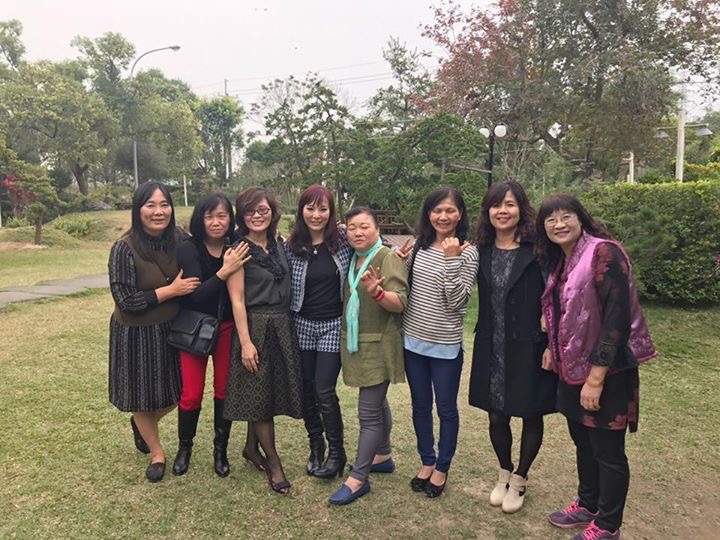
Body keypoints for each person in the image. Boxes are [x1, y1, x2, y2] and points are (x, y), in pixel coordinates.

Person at [537, 194, 656, 540]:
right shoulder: (562, 259)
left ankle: (608, 525)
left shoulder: (604, 252)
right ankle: (588, 504)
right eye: (550, 219)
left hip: (607, 371)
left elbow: (617, 318)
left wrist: (596, 378)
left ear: (581, 218)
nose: (559, 224)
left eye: (566, 216)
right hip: (570, 366)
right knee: (583, 441)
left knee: (608, 450)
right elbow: (563, 310)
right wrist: (551, 347)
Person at [468, 180, 558, 513]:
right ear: (487, 211)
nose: (502, 211)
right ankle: (504, 471)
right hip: (492, 343)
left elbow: (555, 294)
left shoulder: (539, 248)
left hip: (530, 343)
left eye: (509, 204)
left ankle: (520, 478)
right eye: (496, 205)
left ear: (521, 208)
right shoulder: (480, 250)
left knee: (531, 412)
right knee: (496, 416)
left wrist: (552, 342)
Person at [108, 182, 200, 482]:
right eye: (150, 205)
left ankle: (141, 425)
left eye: (164, 204)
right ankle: (157, 453)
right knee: (143, 397)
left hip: (174, 328)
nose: (158, 211)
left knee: (179, 392)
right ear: (138, 210)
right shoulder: (124, 248)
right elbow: (126, 300)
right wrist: (171, 290)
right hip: (136, 333)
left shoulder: (181, 240)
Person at [223, 187, 303, 495]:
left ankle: (250, 448)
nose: (257, 215)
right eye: (250, 211)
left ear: (272, 212)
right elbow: (237, 299)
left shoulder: (278, 243)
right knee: (259, 394)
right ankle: (273, 462)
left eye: (263, 210)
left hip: (281, 325)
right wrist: (246, 342)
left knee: (266, 392)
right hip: (255, 326)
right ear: (242, 215)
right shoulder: (238, 250)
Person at [400, 187, 478, 498]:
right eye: (437, 210)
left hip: (445, 346)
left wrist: (452, 259)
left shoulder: (468, 252)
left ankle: (442, 467)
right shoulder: (419, 247)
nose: (443, 216)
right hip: (413, 342)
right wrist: (400, 262)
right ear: (428, 214)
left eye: (450, 210)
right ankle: (427, 460)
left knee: (445, 409)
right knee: (420, 406)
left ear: (460, 214)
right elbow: (408, 288)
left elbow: (457, 302)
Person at [328, 207, 408, 505]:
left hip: (380, 345)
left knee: (368, 412)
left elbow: (400, 302)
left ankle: (358, 478)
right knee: (377, 403)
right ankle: (382, 455)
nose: (358, 232)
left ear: (377, 229)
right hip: (360, 343)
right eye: (352, 228)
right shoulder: (354, 257)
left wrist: (378, 293)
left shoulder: (386, 257)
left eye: (364, 226)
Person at [172, 193, 255, 477]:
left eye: (222, 216)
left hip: (226, 328)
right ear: (201, 219)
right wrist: (224, 271)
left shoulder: (236, 246)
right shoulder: (188, 248)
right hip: (194, 328)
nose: (216, 222)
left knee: (223, 391)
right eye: (209, 216)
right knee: (191, 394)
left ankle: (220, 450)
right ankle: (185, 448)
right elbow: (195, 296)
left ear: (230, 218)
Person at [285, 184, 352, 478]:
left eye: (323, 209)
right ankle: (316, 445)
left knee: (324, 389)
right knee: (305, 389)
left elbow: (373, 247)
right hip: (301, 324)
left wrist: (395, 255)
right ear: (302, 210)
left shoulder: (343, 240)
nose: (316, 215)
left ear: (331, 212)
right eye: (310, 208)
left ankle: (337, 453)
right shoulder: (291, 247)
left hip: (332, 324)